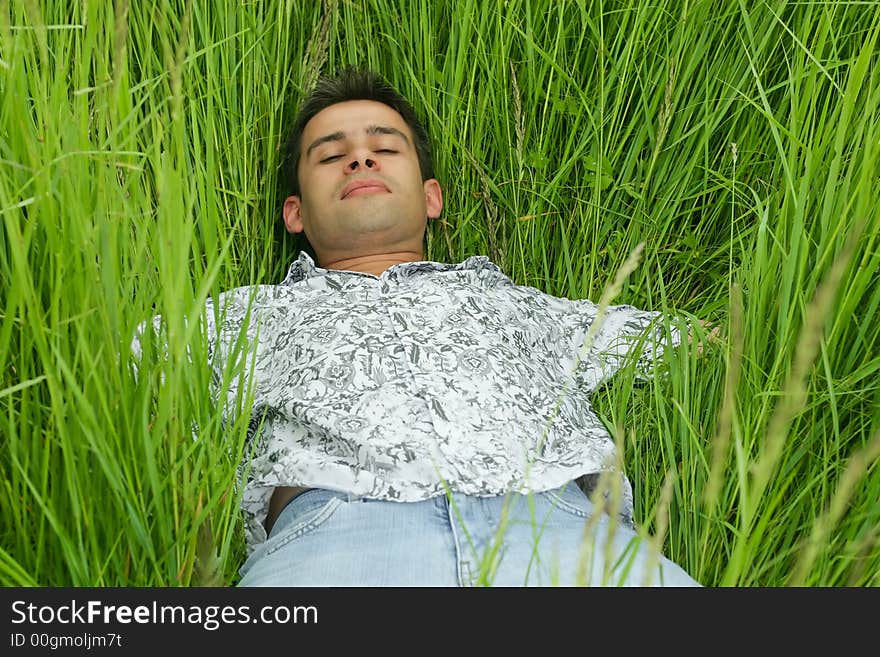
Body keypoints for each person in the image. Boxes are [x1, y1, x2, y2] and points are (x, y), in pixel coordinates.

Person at [181, 68, 702, 586]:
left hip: (563, 534)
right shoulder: (250, 316)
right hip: (338, 543)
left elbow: (688, 341)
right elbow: (117, 369)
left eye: (384, 149)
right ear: (294, 213)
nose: (360, 158)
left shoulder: (517, 304)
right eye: (332, 155)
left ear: (432, 198)